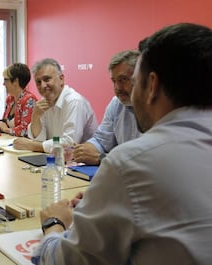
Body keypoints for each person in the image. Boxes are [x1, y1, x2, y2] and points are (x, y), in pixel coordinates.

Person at [32, 23, 212, 265]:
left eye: (132, 81)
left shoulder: (129, 163)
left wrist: (53, 225)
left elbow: (65, 261)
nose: (119, 89)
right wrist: (109, 198)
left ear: (152, 86)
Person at [13, 58, 98, 153]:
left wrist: (33, 146)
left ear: (61, 79)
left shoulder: (74, 101)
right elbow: (39, 139)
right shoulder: (43, 102)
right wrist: (35, 117)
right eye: (38, 82)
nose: (43, 86)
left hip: (81, 163)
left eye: (47, 79)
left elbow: (70, 144)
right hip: (57, 159)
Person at [72, 50, 141, 165]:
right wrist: (84, 150)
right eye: (114, 81)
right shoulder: (116, 103)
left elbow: (144, 160)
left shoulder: (155, 107)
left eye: (123, 79)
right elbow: (101, 140)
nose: (117, 87)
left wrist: (102, 158)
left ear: (140, 78)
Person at [0, 63, 37, 136]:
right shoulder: (10, 99)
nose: (3, 84)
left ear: (15, 81)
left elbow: (26, 130)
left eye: (5, 80)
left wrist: (6, 130)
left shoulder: (30, 100)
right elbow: (4, 123)